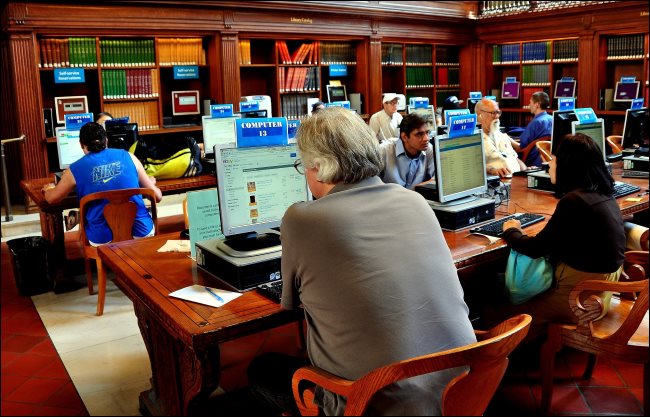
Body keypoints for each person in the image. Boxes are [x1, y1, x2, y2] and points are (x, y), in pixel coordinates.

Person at [247, 107, 476, 416]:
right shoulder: (413, 200)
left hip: (371, 402)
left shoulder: (301, 219)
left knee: (262, 368)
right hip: (461, 390)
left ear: (316, 166)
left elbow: (289, 304)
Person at [484, 133, 625, 343]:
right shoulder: (603, 194)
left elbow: (535, 248)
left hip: (577, 301)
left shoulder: (574, 202)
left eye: (553, 159)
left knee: (493, 314)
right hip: (599, 296)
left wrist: (511, 229)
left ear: (568, 165)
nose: (548, 164)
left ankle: (494, 364)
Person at [43, 122, 162, 246]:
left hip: (103, 239)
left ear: (81, 145)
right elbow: (157, 196)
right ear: (106, 141)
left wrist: (49, 189)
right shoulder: (129, 156)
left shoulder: (74, 169)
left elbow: (52, 199)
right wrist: (147, 184)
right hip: (141, 232)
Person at [379, 112, 435, 189]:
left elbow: (436, 179)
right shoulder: (384, 151)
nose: (426, 139)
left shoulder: (428, 149)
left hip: (416, 198)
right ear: (405, 137)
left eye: (427, 133)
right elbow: (370, 184)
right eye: (419, 134)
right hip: (390, 199)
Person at [475, 97, 526, 177]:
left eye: (498, 112)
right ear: (479, 114)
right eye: (493, 113)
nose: (497, 116)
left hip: (516, 179)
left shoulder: (501, 136)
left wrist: (526, 173)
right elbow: (472, 166)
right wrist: (491, 170)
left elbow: (514, 158)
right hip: (500, 182)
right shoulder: (474, 139)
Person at [509, 92, 552, 167]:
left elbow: (521, 146)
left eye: (530, 102)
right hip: (546, 159)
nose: (529, 105)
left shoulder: (536, 122)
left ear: (537, 104)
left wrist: (508, 139)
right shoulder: (552, 118)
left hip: (531, 161)